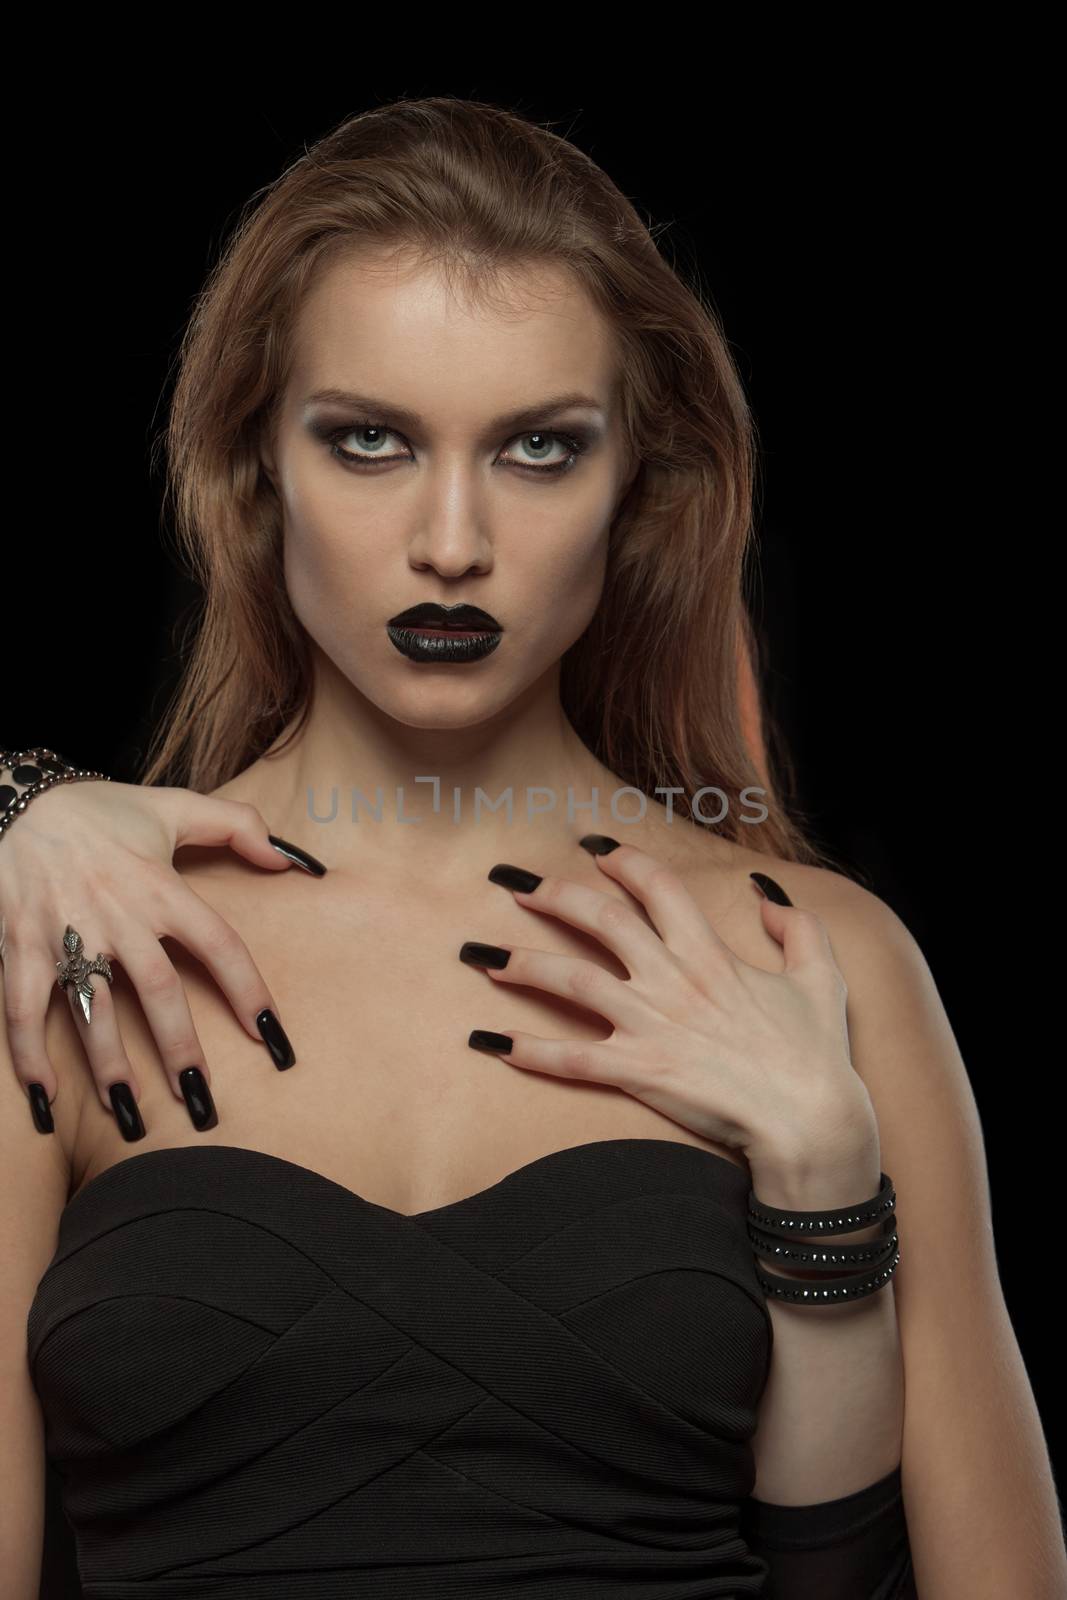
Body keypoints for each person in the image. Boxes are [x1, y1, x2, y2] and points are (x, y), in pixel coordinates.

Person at [2, 97, 1061, 1600]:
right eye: (366, 440)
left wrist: (830, 1196)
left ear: (638, 485)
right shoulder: (74, 930)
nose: (451, 538)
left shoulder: (816, 958)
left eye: (538, 450)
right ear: (254, 466)